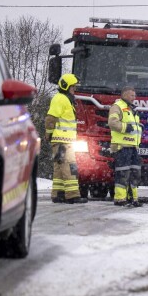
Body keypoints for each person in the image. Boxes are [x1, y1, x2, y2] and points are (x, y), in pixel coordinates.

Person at [45, 73, 87, 204]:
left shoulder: (65, 99)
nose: (75, 90)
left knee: (59, 167)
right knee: (70, 166)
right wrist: (49, 133)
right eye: (73, 87)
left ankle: (58, 194)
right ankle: (72, 195)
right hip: (62, 140)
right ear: (66, 86)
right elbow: (50, 119)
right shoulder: (61, 99)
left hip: (64, 140)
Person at [108, 85, 143, 207]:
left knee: (135, 173)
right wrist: (125, 128)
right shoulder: (117, 107)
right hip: (122, 146)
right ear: (124, 95)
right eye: (132, 95)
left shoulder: (132, 109)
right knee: (122, 173)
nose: (134, 97)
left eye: (134, 95)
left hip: (133, 147)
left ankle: (133, 198)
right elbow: (112, 123)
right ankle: (120, 198)